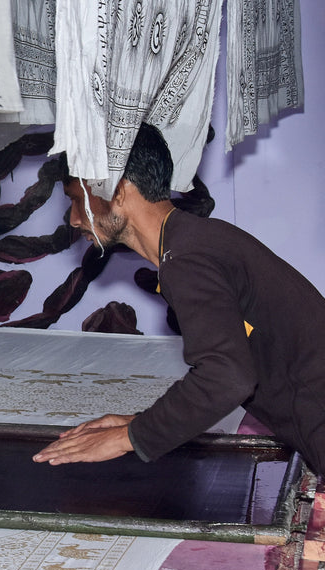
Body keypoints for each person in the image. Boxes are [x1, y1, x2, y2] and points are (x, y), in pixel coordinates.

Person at [33, 122, 325, 476]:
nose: (76, 219)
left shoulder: (185, 260)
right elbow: (235, 364)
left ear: (119, 190)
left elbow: (227, 376)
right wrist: (141, 423)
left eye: (77, 200)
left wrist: (129, 437)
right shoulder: (195, 240)